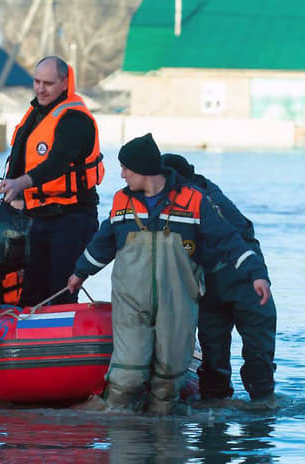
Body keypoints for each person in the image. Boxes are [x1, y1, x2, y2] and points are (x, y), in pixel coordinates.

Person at [67, 134, 270, 415]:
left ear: (143, 169)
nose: (122, 174)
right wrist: (80, 273)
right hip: (132, 303)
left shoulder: (195, 201)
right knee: (127, 375)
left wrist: (256, 275)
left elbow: (230, 240)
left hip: (178, 305)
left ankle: (166, 429)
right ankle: (120, 424)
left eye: (126, 168)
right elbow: (103, 242)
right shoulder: (121, 202)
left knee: (169, 378)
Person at [162, 153, 277, 407]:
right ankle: (240, 402)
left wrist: (257, 275)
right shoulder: (191, 195)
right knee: (216, 357)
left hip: (242, 281)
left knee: (254, 354)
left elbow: (239, 237)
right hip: (214, 284)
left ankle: (254, 402)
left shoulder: (202, 200)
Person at [0, 56, 104, 307]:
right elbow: (21, 154)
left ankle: (63, 341)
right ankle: (26, 341)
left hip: (72, 218)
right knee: (32, 293)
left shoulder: (75, 120)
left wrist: (21, 183)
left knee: (61, 291)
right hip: (39, 218)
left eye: (48, 83)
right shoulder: (36, 115)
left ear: (64, 83)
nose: (40, 89)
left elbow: (58, 162)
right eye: (36, 81)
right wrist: (11, 189)